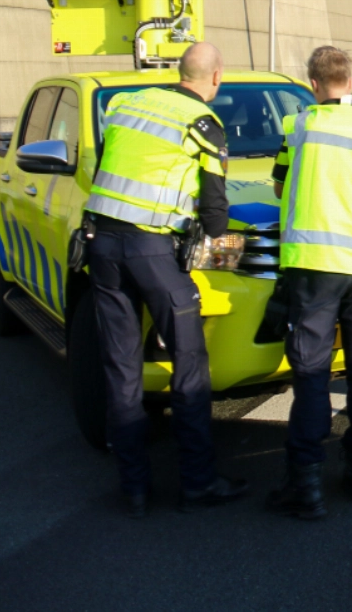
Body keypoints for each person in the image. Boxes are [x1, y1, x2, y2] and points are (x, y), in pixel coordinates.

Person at [84, 42, 249, 518]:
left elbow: (108, 175)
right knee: (190, 364)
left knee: (121, 369)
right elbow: (215, 214)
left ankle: (133, 488)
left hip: (102, 246)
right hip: (152, 252)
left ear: (181, 72)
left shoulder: (127, 105)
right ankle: (197, 482)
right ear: (216, 78)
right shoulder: (204, 126)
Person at [267, 46, 352, 520]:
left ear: (313, 84)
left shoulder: (301, 126)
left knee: (311, 375)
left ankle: (305, 484)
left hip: (312, 268)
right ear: (350, 80)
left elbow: (280, 187)